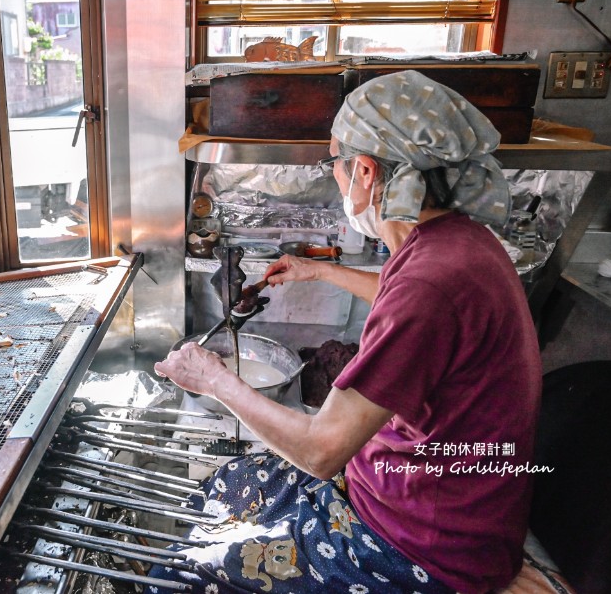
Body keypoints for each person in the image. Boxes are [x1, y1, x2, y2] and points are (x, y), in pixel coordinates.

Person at [151, 70, 542, 593]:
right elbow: (410, 300)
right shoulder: (460, 242)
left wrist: (212, 378)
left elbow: (320, 451)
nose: (334, 175)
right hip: (419, 499)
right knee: (229, 483)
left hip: (420, 545)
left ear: (364, 170)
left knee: (185, 572)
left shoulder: (431, 281)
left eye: (334, 162)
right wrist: (320, 271)